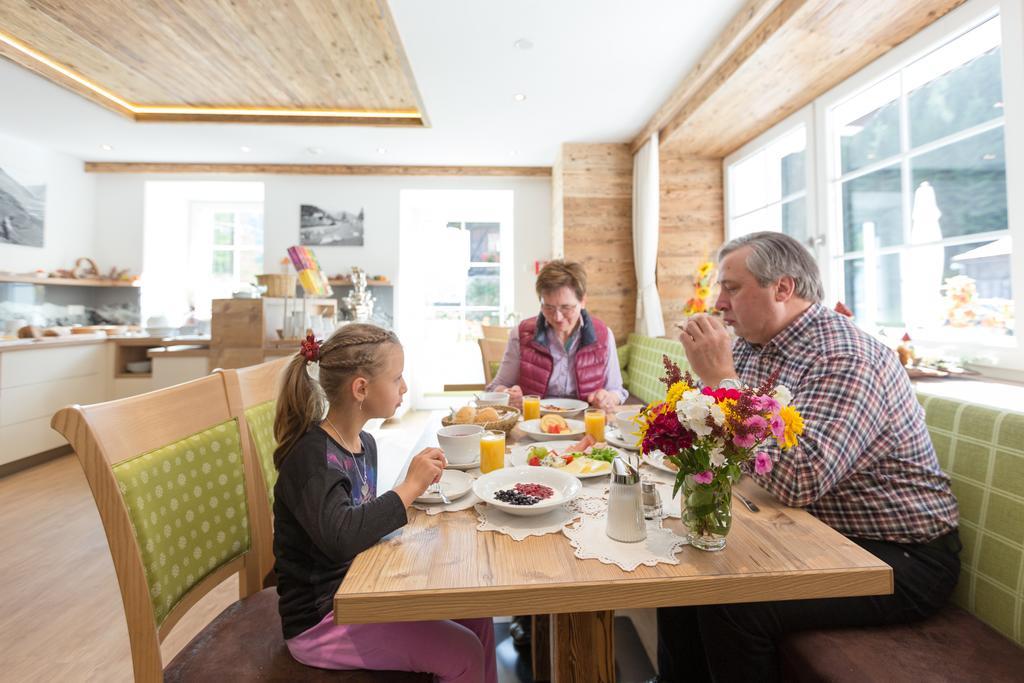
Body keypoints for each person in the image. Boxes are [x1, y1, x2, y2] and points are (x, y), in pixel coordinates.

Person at [656, 232, 960, 682]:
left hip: (899, 555)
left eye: (732, 288)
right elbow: (721, 443)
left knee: (731, 603)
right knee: (680, 571)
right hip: (816, 531)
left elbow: (800, 479)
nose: (719, 303)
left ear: (783, 288)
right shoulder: (752, 347)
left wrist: (722, 378)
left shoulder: (846, 356)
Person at [272, 323, 497, 682]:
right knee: (464, 650)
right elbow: (342, 536)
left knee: (478, 617)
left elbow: (361, 521)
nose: (404, 387)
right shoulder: (313, 460)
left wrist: (413, 484)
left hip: (359, 590)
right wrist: (409, 487)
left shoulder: (364, 443)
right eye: (397, 378)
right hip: (322, 619)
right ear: (361, 388)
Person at [488, 259, 627, 412]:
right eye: (548, 307)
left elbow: (617, 390)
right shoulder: (521, 334)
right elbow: (494, 388)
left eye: (566, 307)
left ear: (583, 301)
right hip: (535, 423)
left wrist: (609, 398)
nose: (557, 317)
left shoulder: (603, 335)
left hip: (586, 422)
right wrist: (506, 394)